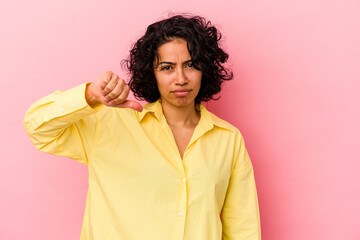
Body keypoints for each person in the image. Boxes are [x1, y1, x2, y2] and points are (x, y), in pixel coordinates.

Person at [24, 14, 261, 240]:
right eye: (167, 67)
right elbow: (37, 128)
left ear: (204, 69)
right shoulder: (110, 125)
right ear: (152, 73)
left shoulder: (228, 139)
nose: (180, 78)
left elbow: (243, 229)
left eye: (191, 65)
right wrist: (90, 95)